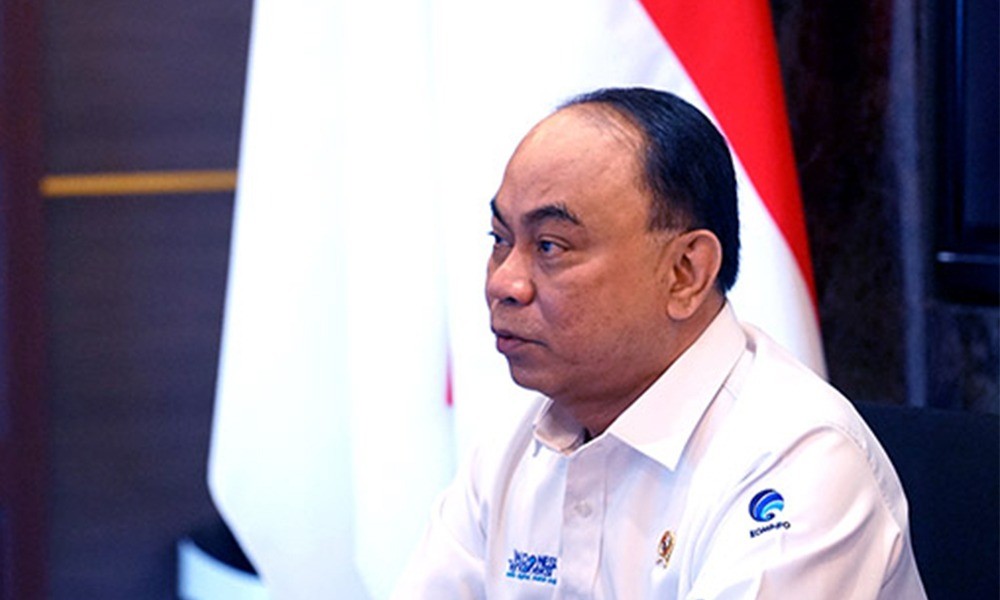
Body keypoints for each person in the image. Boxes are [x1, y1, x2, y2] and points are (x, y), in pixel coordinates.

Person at [393, 87, 926, 599]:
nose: (504, 283)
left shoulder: (798, 460)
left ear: (684, 273)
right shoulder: (513, 449)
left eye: (550, 246)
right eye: (500, 240)